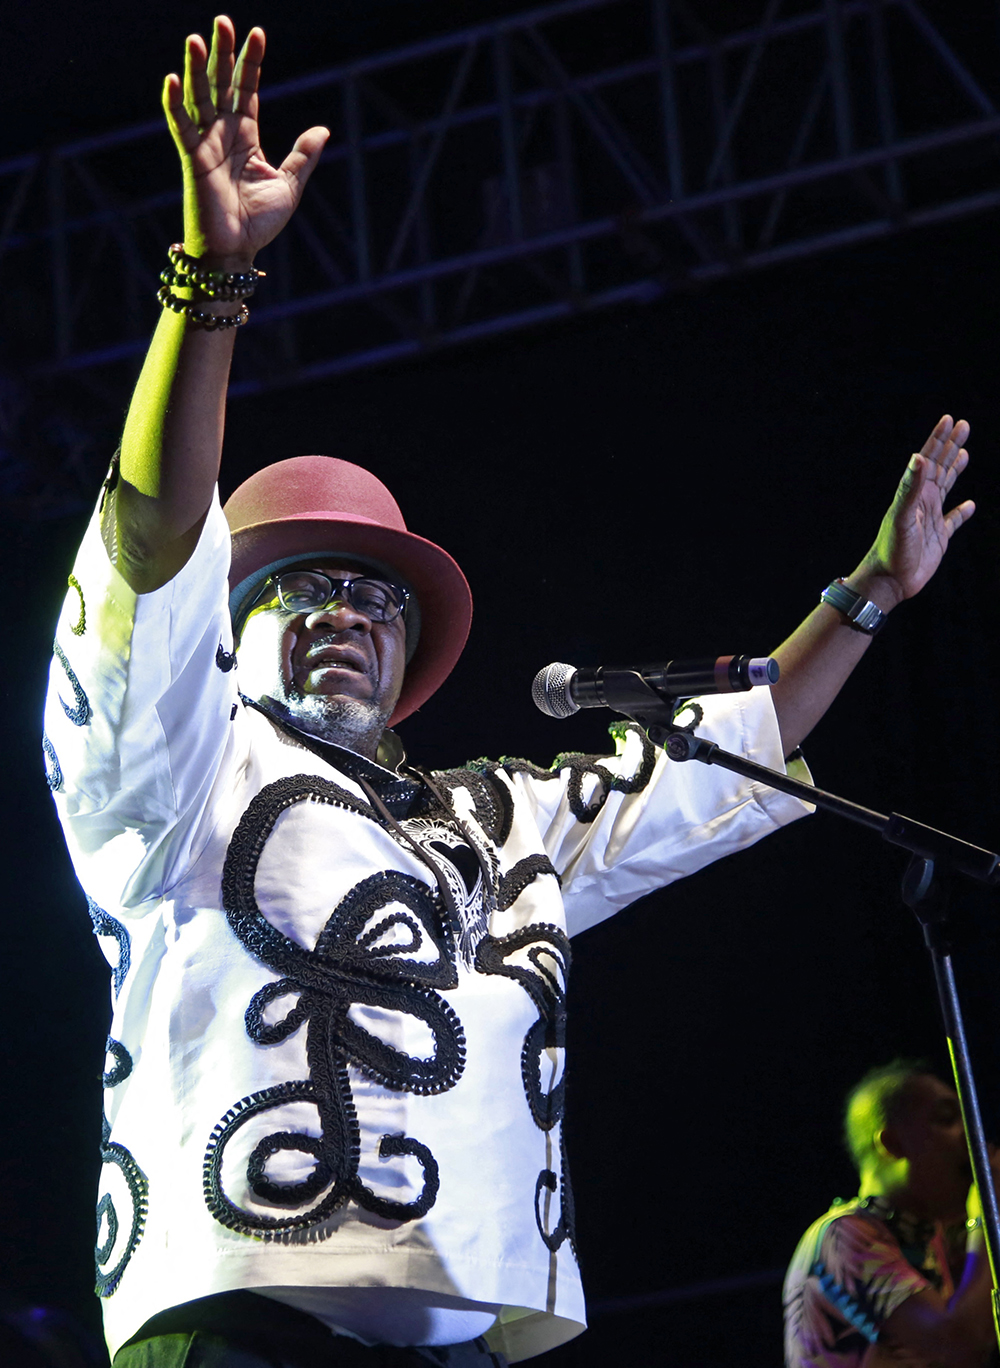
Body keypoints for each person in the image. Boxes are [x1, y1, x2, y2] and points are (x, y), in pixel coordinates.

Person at [42, 18, 976, 1368]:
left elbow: (728, 752)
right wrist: (211, 285)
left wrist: (872, 596)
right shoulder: (182, 773)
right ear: (224, 640)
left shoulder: (490, 822)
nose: (346, 614)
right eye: (301, 590)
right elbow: (152, 548)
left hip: (464, 1341)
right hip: (244, 1330)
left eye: (375, 598)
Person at [783, 1062, 999, 1367]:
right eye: (948, 1119)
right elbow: (955, 1346)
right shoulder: (842, 1234)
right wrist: (987, 1217)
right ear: (892, 1144)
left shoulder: (932, 1236)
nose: (971, 1133)